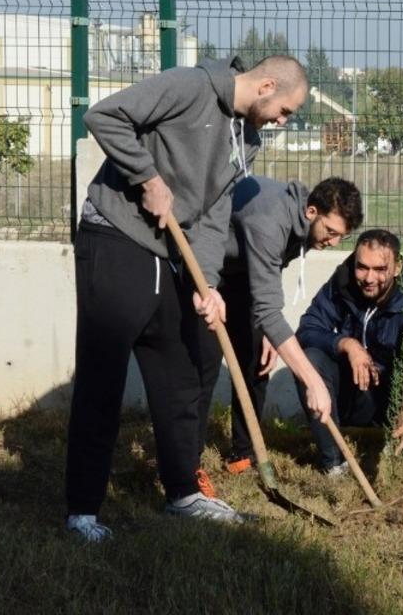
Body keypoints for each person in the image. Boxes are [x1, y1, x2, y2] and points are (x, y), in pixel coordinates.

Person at [66, 54, 308, 542]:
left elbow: (217, 213)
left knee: (180, 372)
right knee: (103, 374)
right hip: (115, 234)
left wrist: (209, 284)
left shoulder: (247, 139)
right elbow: (104, 116)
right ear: (265, 86)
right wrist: (147, 178)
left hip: (168, 252)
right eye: (285, 110)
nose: (283, 122)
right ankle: (83, 510)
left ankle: (183, 493)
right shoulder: (190, 87)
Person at [195, 175, 364, 474]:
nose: (334, 241)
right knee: (203, 364)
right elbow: (268, 302)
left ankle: (242, 455)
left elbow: (271, 271)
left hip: (245, 274)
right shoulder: (270, 219)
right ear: (312, 212)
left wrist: (273, 334)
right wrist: (314, 382)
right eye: (331, 231)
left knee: (258, 361)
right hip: (206, 270)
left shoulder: (308, 228)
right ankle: (188, 461)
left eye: (342, 236)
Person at [293, 229, 403, 473]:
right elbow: (308, 328)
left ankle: (401, 449)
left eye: (379, 269)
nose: (369, 278)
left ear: (397, 268)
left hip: (394, 394)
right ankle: (333, 463)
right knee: (310, 359)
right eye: (362, 267)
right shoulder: (342, 283)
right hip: (353, 393)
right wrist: (347, 344)